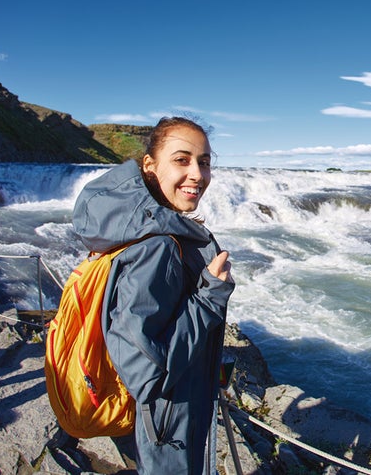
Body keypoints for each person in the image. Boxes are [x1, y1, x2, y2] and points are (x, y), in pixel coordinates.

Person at [72, 116, 234, 474]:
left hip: (163, 421)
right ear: (149, 164)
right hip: (165, 430)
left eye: (204, 162)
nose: (197, 174)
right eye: (182, 159)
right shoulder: (156, 248)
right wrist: (211, 294)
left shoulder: (137, 231)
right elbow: (147, 371)